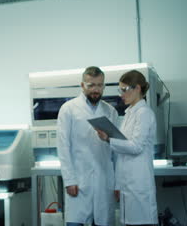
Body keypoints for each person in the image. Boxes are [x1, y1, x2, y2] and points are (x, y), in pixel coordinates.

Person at [57, 66, 118, 226]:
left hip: (104, 180)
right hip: (79, 180)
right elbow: (63, 147)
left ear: (104, 86)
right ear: (82, 85)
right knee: (76, 222)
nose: (95, 90)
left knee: (103, 221)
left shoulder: (110, 111)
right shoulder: (68, 109)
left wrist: (118, 183)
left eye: (99, 85)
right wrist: (69, 180)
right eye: (91, 85)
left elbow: (116, 151)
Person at [95, 70, 158, 225]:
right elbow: (122, 149)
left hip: (138, 183)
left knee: (140, 221)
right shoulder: (129, 113)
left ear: (137, 88)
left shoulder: (144, 113)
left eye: (124, 90)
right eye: (120, 90)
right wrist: (118, 184)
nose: (121, 94)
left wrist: (109, 139)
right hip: (127, 184)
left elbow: (136, 146)